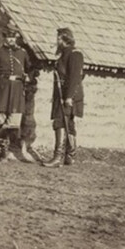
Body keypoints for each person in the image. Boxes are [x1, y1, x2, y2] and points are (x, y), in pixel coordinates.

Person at [0, 27, 32, 162]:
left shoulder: (22, 53)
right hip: (2, 89)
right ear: (4, 38)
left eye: (13, 37)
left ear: (16, 38)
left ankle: (0, 149)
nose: (11, 40)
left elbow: (30, 69)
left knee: (13, 123)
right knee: (0, 120)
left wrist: (29, 77)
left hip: (17, 90)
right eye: (8, 37)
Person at [43, 27, 85, 168]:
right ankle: (69, 156)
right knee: (67, 123)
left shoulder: (75, 54)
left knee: (61, 123)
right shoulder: (63, 55)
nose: (57, 41)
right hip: (61, 94)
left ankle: (58, 157)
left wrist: (68, 97)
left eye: (59, 38)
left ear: (65, 39)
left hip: (68, 95)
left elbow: (75, 77)